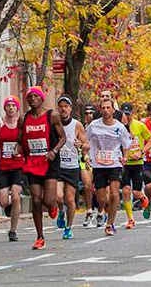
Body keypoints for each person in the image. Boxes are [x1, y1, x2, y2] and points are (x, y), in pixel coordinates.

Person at [19, 86, 65, 249]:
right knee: (36, 200)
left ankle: (53, 206)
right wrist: (19, 150)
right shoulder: (24, 119)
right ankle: (40, 237)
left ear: (41, 98)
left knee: (48, 200)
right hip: (32, 162)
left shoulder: (52, 115)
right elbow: (20, 138)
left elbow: (63, 138)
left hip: (49, 161)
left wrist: (54, 151)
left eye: (35, 96)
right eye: (29, 97)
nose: (32, 99)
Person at [86, 98, 131, 236]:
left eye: (108, 108)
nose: (105, 110)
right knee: (102, 199)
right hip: (99, 164)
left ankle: (110, 223)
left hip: (115, 163)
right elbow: (85, 141)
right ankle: (106, 212)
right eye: (103, 108)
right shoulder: (93, 126)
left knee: (114, 193)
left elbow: (126, 144)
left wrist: (125, 157)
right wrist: (86, 155)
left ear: (113, 110)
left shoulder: (119, 127)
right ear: (100, 110)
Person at [0, 96, 25, 241]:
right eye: (8, 105)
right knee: (3, 202)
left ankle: (13, 230)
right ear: (5, 108)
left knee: (16, 195)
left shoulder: (21, 124)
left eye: (13, 106)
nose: (11, 108)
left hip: (18, 165)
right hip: (2, 166)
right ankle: (11, 204)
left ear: (17, 108)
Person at [55, 96, 88, 239]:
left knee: (70, 199)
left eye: (66, 106)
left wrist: (81, 145)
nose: (63, 109)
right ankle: (60, 211)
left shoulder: (77, 125)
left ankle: (68, 228)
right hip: (57, 165)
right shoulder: (54, 123)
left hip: (72, 166)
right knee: (58, 196)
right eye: (61, 106)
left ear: (70, 108)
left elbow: (87, 144)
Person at [119, 102, 151, 229]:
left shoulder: (139, 125)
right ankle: (131, 219)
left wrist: (142, 152)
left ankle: (143, 197)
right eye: (124, 114)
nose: (126, 117)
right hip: (125, 163)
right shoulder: (118, 127)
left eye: (128, 114)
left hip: (137, 163)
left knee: (136, 192)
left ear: (132, 114)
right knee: (126, 191)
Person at [80, 104, 98, 228]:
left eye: (91, 113)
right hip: (85, 159)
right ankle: (89, 211)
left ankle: (102, 211)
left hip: (99, 160)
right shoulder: (80, 127)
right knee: (87, 186)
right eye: (86, 113)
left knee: (100, 189)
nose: (88, 115)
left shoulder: (100, 127)